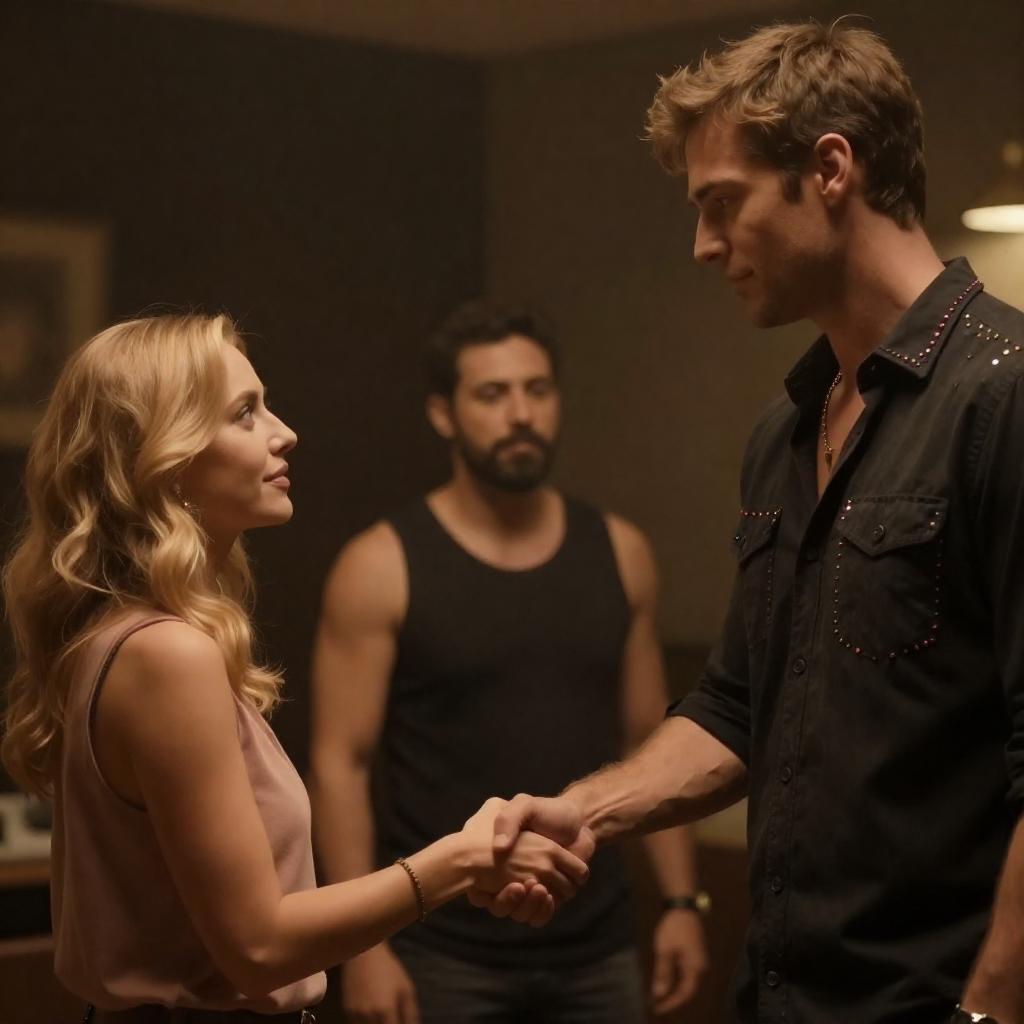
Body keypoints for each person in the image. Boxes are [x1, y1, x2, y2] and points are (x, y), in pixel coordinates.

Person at [477, 20, 1024, 1024]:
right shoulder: (786, 428)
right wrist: (585, 810)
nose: (703, 245)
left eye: (721, 203)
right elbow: (739, 706)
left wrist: (990, 1013)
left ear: (829, 170)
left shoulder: (1003, 396)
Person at [0, 313, 587, 1024]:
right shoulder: (166, 654)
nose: (285, 433)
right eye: (245, 413)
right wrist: (461, 860)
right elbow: (260, 946)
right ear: (167, 458)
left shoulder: (125, 636)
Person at [309, 302, 709, 1024]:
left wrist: (682, 902)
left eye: (537, 390)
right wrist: (364, 949)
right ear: (444, 414)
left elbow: (648, 738)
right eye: (493, 394)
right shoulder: (380, 566)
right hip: (441, 949)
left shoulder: (620, 552)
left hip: (599, 947)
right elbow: (341, 763)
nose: (521, 414)